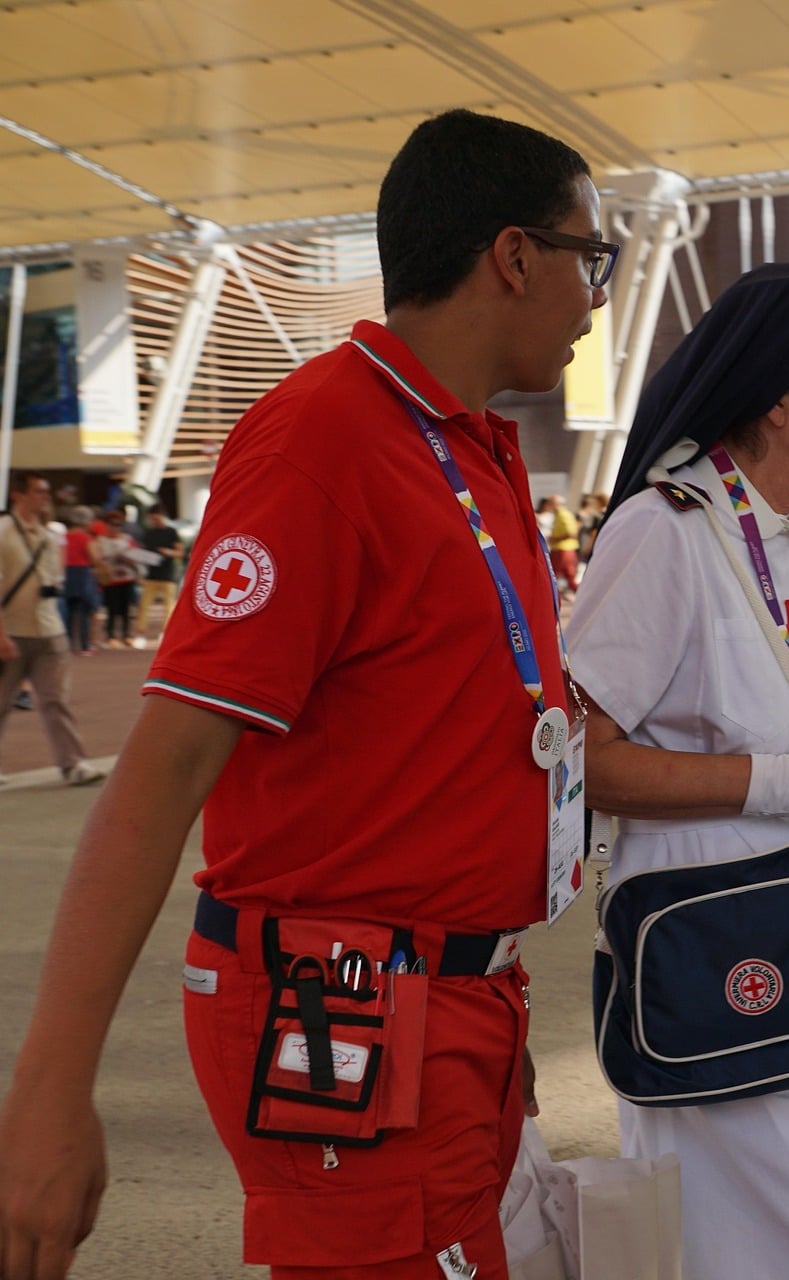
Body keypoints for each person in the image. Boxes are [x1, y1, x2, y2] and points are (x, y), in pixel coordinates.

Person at [0, 109, 607, 1277]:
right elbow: (162, 770)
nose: (594, 299)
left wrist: (487, 980)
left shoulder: (472, 448)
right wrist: (51, 1091)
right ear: (515, 257)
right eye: (591, 258)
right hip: (353, 1011)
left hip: (453, 999)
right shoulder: (322, 440)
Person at [569, 261, 789, 1280]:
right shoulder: (664, 530)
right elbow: (580, 759)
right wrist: (777, 782)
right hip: (712, 948)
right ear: (779, 395)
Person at [0, 473, 105, 787]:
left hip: (50, 630)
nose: (46, 497)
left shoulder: (49, 536)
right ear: (18, 495)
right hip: (11, 632)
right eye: (39, 491)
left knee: (55, 700)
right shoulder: (3, 532)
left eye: (47, 491)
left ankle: (73, 764)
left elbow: (53, 581)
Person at [133, 506, 185, 646]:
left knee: (168, 607)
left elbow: (180, 552)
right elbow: (143, 550)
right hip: (151, 575)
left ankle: (165, 633)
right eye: (151, 519)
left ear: (162, 516)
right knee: (144, 606)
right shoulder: (149, 533)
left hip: (168, 576)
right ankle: (141, 633)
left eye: (156, 518)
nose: (154, 521)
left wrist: (169, 552)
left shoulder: (171, 532)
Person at [92, 510, 139, 648]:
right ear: (107, 524)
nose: (115, 527)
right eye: (112, 524)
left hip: (127, 577)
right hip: (110, 579)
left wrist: (127, 559)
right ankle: (111, 635)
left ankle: (127, 635)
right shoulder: (100, 541)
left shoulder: (127, 539)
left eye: (119, 524)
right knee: (112, 609)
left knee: (126, 609)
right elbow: (96, 558)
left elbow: (135, 556)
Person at [59, 505, 98, 656]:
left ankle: (67, 645)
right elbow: (94, 558)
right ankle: (84, 645)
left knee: (67, 611)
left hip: (66, 574)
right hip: (82, 574)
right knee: (84, 612)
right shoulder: (86, 538)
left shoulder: (63, 537)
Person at [546, 492, 582, 590]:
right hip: (564, 549)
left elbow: (571, 533)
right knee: (568, 579)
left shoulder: (563, 514)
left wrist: (554, 539)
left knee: (551, 576)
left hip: (562, 550)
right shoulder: (560, 514)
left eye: (550, 502)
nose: (548, 504)